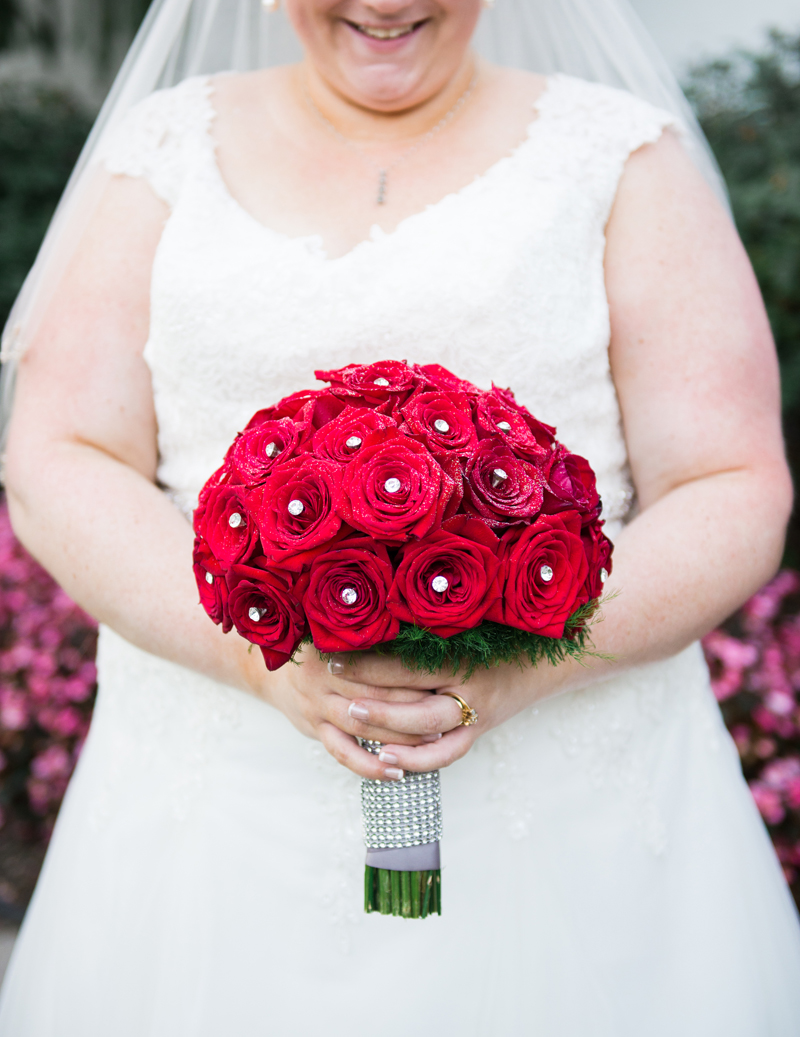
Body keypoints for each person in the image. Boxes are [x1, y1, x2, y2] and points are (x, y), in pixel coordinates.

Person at [0, 0, 799, 1031]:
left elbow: (729, 480)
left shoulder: (619, 159)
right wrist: (255, 655)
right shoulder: (163, 150)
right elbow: (64, 452)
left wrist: (522, 660)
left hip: (568, 834)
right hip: (213, 828)